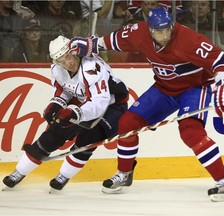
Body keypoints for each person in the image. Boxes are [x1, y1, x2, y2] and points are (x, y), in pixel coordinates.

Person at [69, 7, 224, 202]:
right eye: (159, 30)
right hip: (164, 88)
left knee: (190, 131)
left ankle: (223, 181)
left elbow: (222, 61)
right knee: (127, 124)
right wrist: (91, 45)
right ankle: (124, 174)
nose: (164, 34)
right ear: (150, 29)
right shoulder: (138, 33)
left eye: (167, 29)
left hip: (195, 88)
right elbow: (114, 41)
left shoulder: (189, 40)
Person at [2, 35, 129, 191]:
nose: (67, 63)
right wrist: (56, 104)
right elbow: (66, 90)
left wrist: (75, 112)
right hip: (84, 100)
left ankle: (64, 175)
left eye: (69, 56)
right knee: (52, 135)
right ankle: (18, 172)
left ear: (75, 51)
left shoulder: (91, 66)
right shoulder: (57, 69)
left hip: (112, 104)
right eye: (62, 61)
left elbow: (99, 102)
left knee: (88, 139)